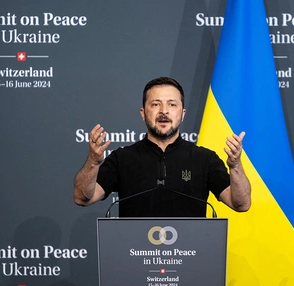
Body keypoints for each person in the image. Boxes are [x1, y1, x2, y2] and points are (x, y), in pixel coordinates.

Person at [73, 77, 251, 217]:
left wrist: (235, 166)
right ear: (143, 113)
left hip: (189, 257)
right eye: (155, 104)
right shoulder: (122, 158)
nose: (164, 111)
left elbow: (241, 204)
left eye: (172, 104)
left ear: (182, 114)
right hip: (135, 257)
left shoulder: (205, 159)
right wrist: (93, 163)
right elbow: (82, 198)